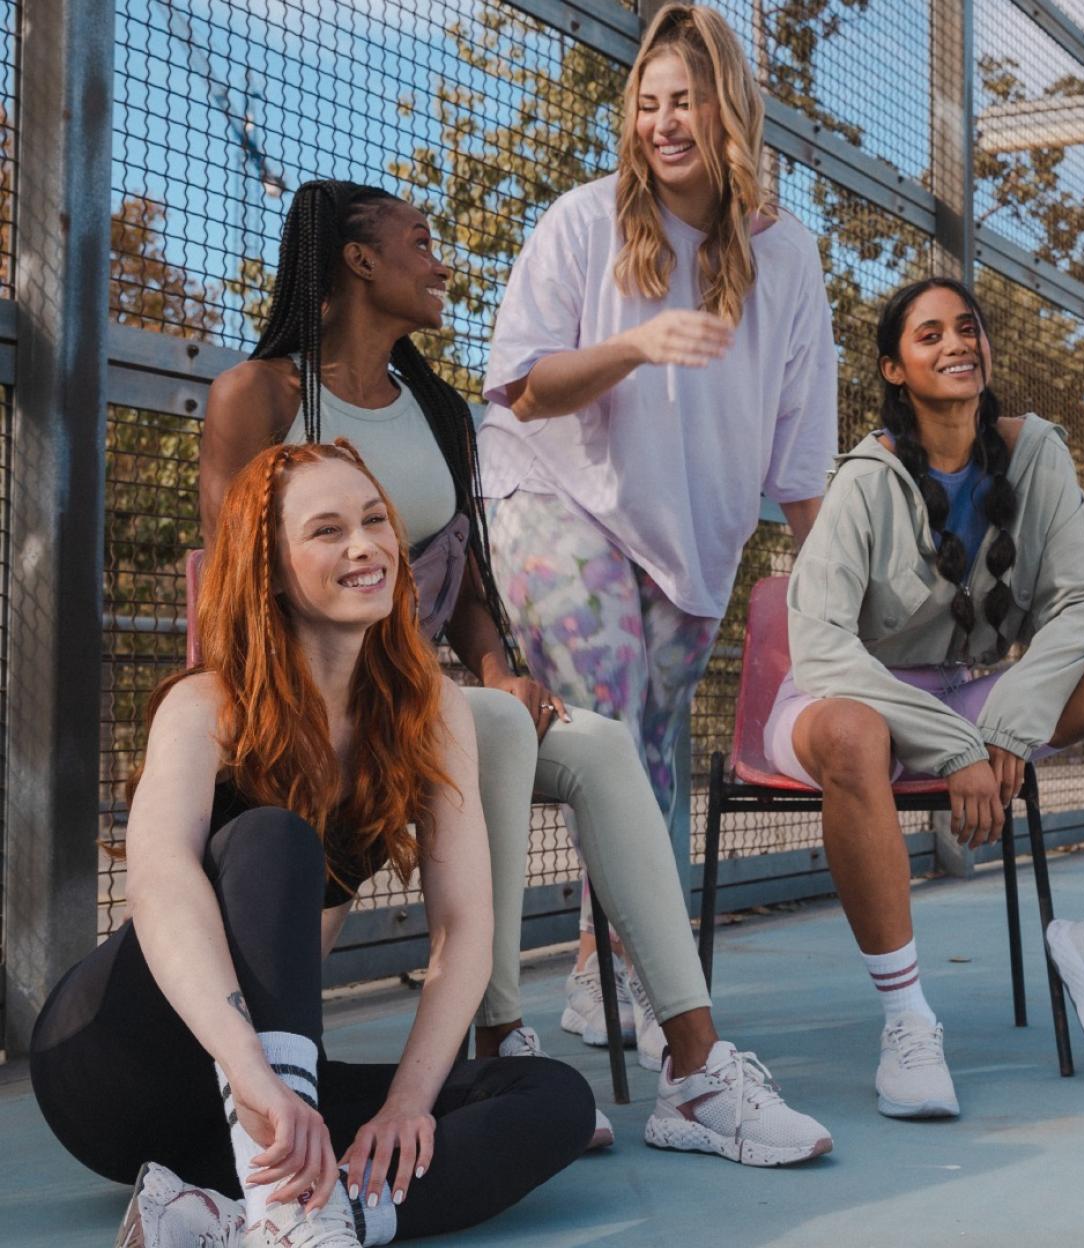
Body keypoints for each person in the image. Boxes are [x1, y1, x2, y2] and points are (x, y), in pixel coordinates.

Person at [198, 179, 833, 1164]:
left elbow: (464, 589)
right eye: (420, 240)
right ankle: (496, 1042)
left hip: (414, 702)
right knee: (480, 725)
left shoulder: (441, 411)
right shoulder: (262, 396)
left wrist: (500, 664)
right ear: (359, 260)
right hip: (304, 710)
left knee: (598, 741)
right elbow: (232, 582)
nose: (440, 260)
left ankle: (696, 1070)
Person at [30, 442, 596, 1247]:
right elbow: (157, 884)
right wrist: (253, 1075)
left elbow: (464, 926)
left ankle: (264, 1217)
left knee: (552, 1099)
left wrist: (406, 1103)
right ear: (270, 568)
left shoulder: (427, 710)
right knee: (274, 837)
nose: (364, 547)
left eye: (374, 522)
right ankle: (294, 1209)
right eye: (327, 531)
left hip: (264, 1100)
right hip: (120, 1070)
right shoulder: (206, 705)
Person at [478, 3, 838, 1022]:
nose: (665, 122)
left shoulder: (790, 258)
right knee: (617, 719)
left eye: (685, 100)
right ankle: (628, 974)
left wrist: (823, 583)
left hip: (692, 538)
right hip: (553, 496)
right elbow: (526, 387)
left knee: (651, 742)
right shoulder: (584, 221)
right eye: (648, 103)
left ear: (730, 108)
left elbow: (804, 443)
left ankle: (609, 967)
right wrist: (638, 344)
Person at [765, 277, 1084, 1119]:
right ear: (895, 366)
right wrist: (956, 746)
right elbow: (819, 644)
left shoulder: (1035, 452)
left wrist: (1005, 722)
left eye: (968, 328)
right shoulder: (865, 478)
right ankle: (908, 1024)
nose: (957, 344)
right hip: (853, 699)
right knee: (854, 737)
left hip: (988, 699)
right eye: (930, 335)